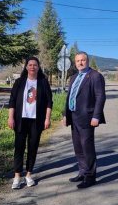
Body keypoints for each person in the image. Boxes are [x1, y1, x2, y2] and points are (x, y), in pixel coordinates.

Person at [62, 51, 106, 189]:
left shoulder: (95, 76)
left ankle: (90, 177)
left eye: (82, 60)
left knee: (87, 148)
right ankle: (82, 172)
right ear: (75, 63)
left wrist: (96, 116)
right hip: (73, 117)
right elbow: (69, 97)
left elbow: (100, 97)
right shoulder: (73, 77)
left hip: (87, 118)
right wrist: (65, 114)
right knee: (78, 148)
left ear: (87, 61)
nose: (80, 63)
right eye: (77, 61)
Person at [8, 56, 53, 189]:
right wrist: (11, 118)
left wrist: (47, 118)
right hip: (20, 120)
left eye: (35, 65)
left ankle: (28, 174)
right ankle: (17, 176)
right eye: (30, 64)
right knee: (19, 147)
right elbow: (12, 101)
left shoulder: (43, 82)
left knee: (33, 148)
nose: (32, 67)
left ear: (38, 67)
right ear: (26, 67)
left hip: (36, 121)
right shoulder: (19, 82)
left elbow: (49, 102)